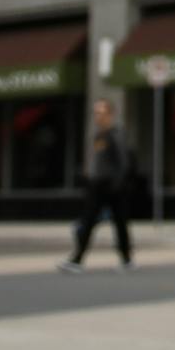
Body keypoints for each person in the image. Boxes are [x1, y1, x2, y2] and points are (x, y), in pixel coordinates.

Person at [59, 98, 133, 272]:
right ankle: (77, 258)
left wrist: (117, 184)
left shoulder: (115, 135)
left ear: (110, 114)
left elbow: (124, 162)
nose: (97, 116)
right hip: (97, 185)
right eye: (95, 113)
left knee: (120, 222)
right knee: (88, 220)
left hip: (112, 187)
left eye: (101, 112)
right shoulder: (98, 135)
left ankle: (126, 258)